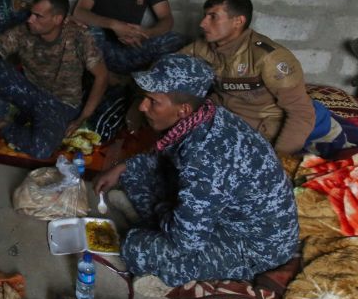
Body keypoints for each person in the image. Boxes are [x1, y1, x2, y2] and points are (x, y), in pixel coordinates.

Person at [92, 54, 299, 286]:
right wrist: (122, 166)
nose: (142, 106)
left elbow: (187, 240)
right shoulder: (207, 114)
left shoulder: (206, 158)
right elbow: (164, 156)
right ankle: (157, 219)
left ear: (183, 110)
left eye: (153, 101)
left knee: (135, 247)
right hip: (227, 213)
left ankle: (151, 228)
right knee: (136, 170)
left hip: (254, 247)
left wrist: (165, 209)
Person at [0, 0, 109, 166]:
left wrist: (82, 118)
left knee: (41, 148)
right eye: (31, 14)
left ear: (57, 19)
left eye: (38, 16)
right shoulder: (23, 31)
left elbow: (102, 77)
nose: (30, 19)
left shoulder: (79, 37)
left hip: (62, 104)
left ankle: (2, 125)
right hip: (30, 92)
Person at [180, 0, 329, 155]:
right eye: (204, 15)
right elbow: (169, 69)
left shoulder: (270, 58)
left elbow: (301, 113)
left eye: (213, 16)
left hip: (261, 131)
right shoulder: (203, 47)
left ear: (238, 21)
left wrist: (278, 160)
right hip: (223, 122)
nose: (202, 23)